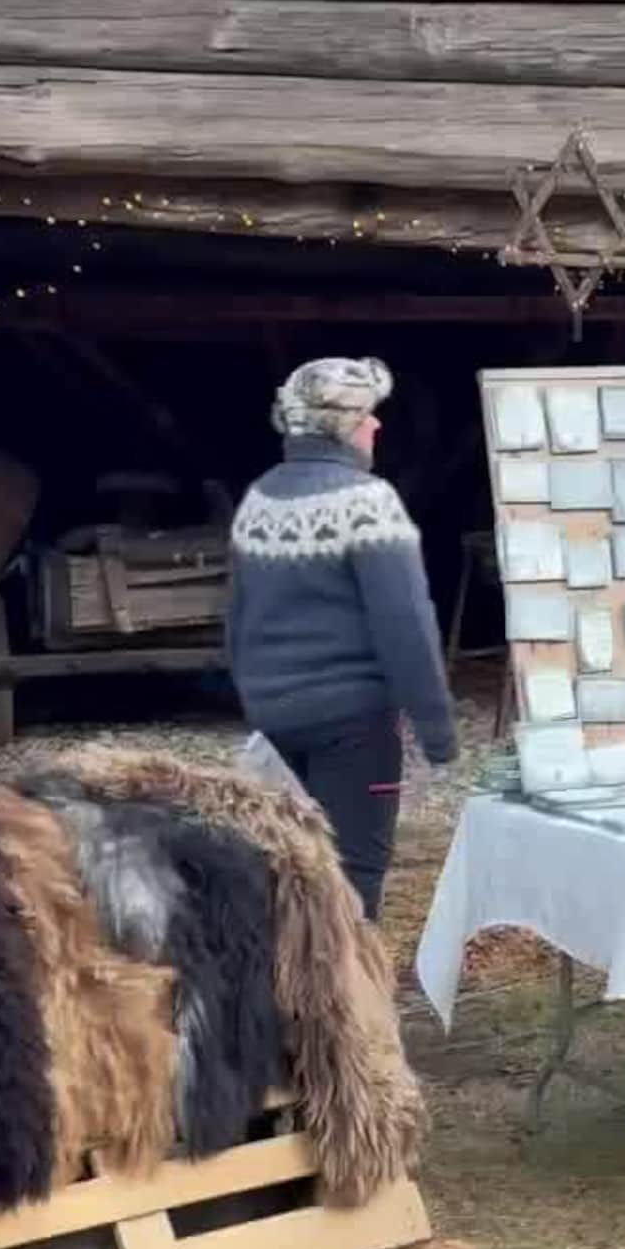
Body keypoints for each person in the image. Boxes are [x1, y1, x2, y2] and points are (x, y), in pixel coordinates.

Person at [226, 356, 457, 919]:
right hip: (354, 727)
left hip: (275, 720)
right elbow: (406, 626)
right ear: (343, 425)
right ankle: (350, 1000)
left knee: (288, 869)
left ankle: (286, 992)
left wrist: (260, 699)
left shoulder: (258, 501)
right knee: (354, 881)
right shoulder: (367, 504)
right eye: (368, 415)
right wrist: (437, 732)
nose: (377, 426)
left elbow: (236, 618)